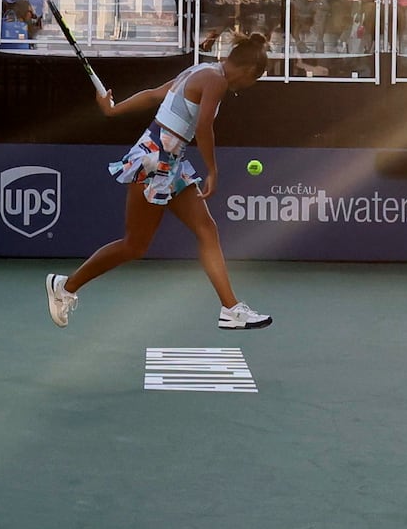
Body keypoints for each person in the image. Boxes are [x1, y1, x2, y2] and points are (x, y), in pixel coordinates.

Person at [44, 36, 275, 331]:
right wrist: (213, 170)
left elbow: (155, 94)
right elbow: (204, 127)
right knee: (134, 245)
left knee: (206, 229)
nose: (250, 85)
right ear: (250, 68)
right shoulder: (215, 81)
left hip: (170, 160)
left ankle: (230, 308)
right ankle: (65, 286)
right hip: (156, 158)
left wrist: (114, 110)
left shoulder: (199, 70)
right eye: (255, 78)